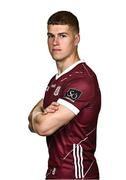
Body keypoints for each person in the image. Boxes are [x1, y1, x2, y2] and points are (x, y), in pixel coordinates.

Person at [28, 11, 101, 179]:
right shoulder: (56, 81)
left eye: (62, 35)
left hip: (77, 174)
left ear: (76, 39)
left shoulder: (83, 80)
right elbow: (30, 124)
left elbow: (42, 127)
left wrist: (38, 114)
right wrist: (39, 115)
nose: (55, 42)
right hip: (54, 173)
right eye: (50, 36)